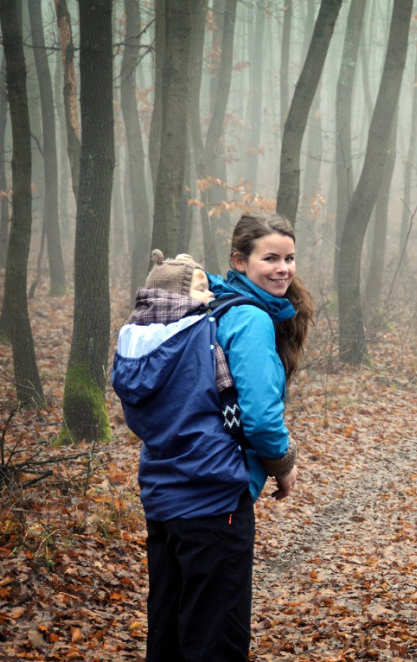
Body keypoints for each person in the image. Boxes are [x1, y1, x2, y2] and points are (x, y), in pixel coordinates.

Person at [112, 232, 310, 660]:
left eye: (290, 258)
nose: (283, 268)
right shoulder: (233, 322)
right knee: (216, 634)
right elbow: (255, 416)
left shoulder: (163, 333)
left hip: (162, 495)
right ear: (240, 261)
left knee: (169, 628)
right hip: (213, 495)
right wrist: (283, 463)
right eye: (271, 257)